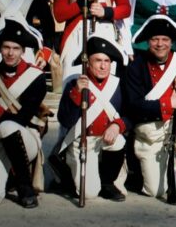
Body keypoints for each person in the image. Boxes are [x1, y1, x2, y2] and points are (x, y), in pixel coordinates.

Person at [124, 15, 176, 202]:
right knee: (155, 191)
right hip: (149, 131)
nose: (160, 44)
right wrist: (169, 104)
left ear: (172, 42)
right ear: (147, 41)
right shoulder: (136, 66)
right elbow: (133, 106)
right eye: (155, 39)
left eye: (165, 39)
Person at [0, 18, 47, 208]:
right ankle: (9, 179)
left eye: (15, 48)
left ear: (23, 51)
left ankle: (25, 186)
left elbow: (22, 119)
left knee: (8, 126)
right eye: (6, 47)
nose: (10, 53)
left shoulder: (36, 78)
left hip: (26, 138)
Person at [54, 35, 130, 202]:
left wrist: (117, 125)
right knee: (89, 194)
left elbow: (129, 115)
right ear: (88, 62)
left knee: (119, 141)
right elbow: (65, 120)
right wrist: (76, 94)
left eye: (107, 61)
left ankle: (108, 183)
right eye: (98, 60)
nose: (103, 66)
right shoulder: (74, 83)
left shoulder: (118, 84)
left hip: (105, 138)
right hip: (81, 140)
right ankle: (67, 170)